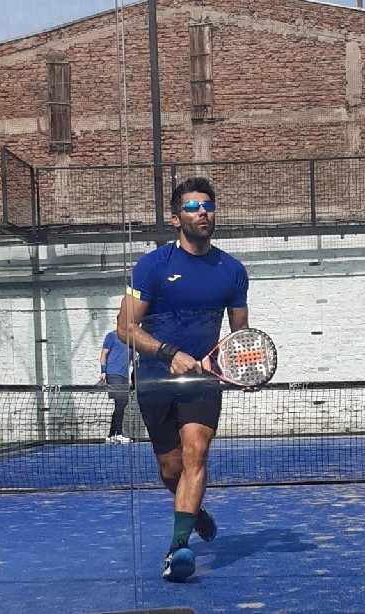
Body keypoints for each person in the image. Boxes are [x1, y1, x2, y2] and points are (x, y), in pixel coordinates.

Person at [117, 177, 249, 582]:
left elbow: (240, 337)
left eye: (207, 205)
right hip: (155, 380)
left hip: (203, 382)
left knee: (196, 453)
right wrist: (169, 354)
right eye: (192, 207)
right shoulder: (152, 266)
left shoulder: (233, 271)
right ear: (176, 219)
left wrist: (238, 367)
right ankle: (195, 511)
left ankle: (178, 550)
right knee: (171, 469)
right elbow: (124, 328)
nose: (202, 212)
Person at [100, 321, 133, 444]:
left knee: (121, 403)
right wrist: (103, 371)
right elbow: (104, 354)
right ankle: (118, 433)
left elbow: (133, 359)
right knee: (121, 401)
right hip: (113, 374)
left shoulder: (131, 341)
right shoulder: (112, 336)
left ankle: (111, 435)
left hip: (124, 376)